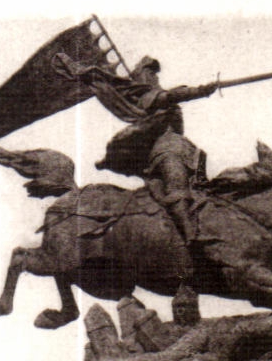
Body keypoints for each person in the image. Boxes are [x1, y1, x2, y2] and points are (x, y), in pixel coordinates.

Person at [56, 54, 219, 315]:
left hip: (185, 150)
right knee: (178, 193)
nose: (154, 76)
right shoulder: (147, 97)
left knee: (204, 193)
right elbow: (170, 96)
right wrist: (202, 90)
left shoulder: (153, 95)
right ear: (140, 77)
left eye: (154, 73)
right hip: (166, 152)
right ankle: (192, 237)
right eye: (150, 72)